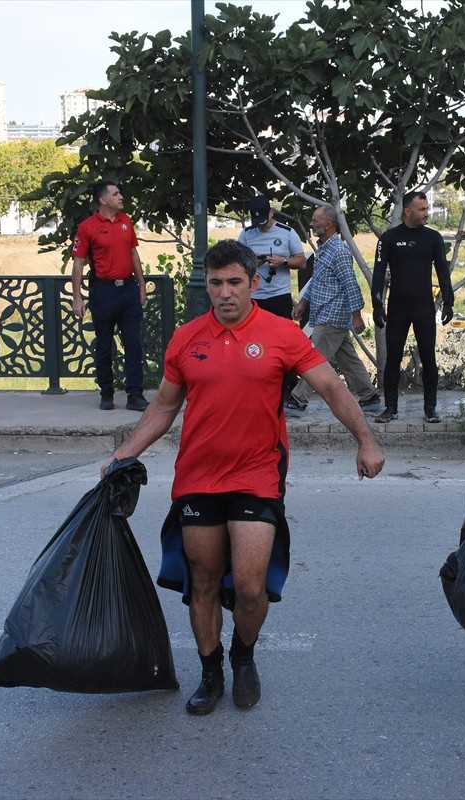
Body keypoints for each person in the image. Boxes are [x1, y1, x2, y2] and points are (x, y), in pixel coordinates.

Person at [109, 239, 386, 716]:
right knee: (203, 580)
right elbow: (164, 406)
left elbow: (331, 387)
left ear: (254, 283)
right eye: (215, 283)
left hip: (258, 473)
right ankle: (210, 669)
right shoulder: (187, 338)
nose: (225, 293)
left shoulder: (281, 334)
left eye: (235, 282)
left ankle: (244, 654)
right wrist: (125, 452)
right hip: (198, 475)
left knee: (252, 587)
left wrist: (366, 440)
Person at [286, 204, 383, 417]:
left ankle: (297, 400)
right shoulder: (324, 249)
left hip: (333, 315)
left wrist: (356, 315)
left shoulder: (338, 251)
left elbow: (351, 284)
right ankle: (370, 397)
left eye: (315, 221)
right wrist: (303, 303)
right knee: (348, 359)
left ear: (328, 224)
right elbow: (317, 282)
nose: (311, 224)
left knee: (314, 360)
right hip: (323, 313)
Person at [370, 190, 454, 424]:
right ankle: (390, 407)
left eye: (427, 209)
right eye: (422, 209)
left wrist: (448, 300)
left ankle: (430, 407)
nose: (426, 213)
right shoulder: (388, 239)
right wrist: (377, 303)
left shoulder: (433, 238)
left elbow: (442, 271)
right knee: (392, 359)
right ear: (408, 211)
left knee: (429, 358)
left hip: (424, 308)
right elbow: (378, 273)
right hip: (398, 307)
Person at [70, 180, 148, 411]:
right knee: (104, 344)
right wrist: (77, 297)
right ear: (103, 200)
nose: (121, 196)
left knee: (133, 344)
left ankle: (135, 395)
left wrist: (141, 285)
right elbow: (78, 263)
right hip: (103, 291)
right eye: (115, 194)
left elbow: (133, 253)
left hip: (129, 290)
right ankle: (106, 393)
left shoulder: (126, 221)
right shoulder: (87, 227)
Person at [238, 195, 306, 320]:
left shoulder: (287, 232)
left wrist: (283, 262)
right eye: (258, 222)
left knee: (281, 336)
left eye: (264, 221)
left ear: (271, 213)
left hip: (279, 295)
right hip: (254, 295)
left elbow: (302, 262)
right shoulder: (246, 234)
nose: (261, 226)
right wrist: (252, 262)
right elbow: (237, 263)